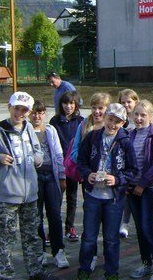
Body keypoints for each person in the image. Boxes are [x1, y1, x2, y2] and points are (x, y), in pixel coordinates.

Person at [0, 91, 59, 280]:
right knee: (7, 235)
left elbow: (37, 149)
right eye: (16, 108)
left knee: (32, 234)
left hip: (30, 193)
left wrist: (38, 158)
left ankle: (35, 269)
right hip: (9, 194)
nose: (20, 113)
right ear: (9, 108)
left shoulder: (29, 128)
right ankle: (6, 274)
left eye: (24, 110)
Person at [75, 103, 137, 280]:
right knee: (89, 237)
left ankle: (112, 274)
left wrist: (117, 179)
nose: (112, 124)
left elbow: (133, 170)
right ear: (104, 118)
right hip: (93, 195)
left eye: (117, 121)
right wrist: (87, 174)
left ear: (123, 123)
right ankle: (84, 271)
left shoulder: (125, 142)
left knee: (111, 239)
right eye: (110, 119)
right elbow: (81, 160)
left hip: (114, 199)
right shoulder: (93, 137)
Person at [127, 100, 153, 280]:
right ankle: (146, 263)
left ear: (150, 117)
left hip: (147, 187)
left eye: (143, 115)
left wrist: (142, 184)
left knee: (147, 226)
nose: (139, 118)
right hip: (131, 187)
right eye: (136, 114)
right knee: (139, 227)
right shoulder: (130, 134)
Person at [66, 92, 111, 242]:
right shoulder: (84, 125)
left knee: (108, 215)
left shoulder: (111, 125)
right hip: (89, 177)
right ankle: (90, 243)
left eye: (100, 108)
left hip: (108, 177)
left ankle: (107, 241)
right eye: (93, 107)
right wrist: (86, 166)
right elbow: (74, 152)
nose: (97, 111)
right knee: (90, 212)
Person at [29, 99, 69, 269]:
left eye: (40, 113)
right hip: (33, 178)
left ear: (44, 114)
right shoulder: (25, 130)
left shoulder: (50, 130)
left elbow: (58, 154)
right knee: (35, 215)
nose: (37, 116)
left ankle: (58, 250)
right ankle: (40, 251)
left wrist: (62, 176)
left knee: (54, 214)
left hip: (51, 176)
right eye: (33, 113)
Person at [49, 91, 84, 245]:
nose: (68, 106)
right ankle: (53, 230)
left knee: (72, 197)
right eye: (65, 103)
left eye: (71, 103)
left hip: (73, 166)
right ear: (61, 104)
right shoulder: (54, 121)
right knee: (55, 198)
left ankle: (70, 228)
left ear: (75, 105)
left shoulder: (81, 121)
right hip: (58, 165)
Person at [118, 88, 140, 238]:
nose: (126, 105)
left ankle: (139, 224)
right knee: (125, 194)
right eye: (123, 102)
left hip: (138, 163)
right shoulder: (120, 121)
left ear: (135, 102)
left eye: (129, 102)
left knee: (137, 195)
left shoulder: (139, 118)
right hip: (124, 163)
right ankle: (124, 222)